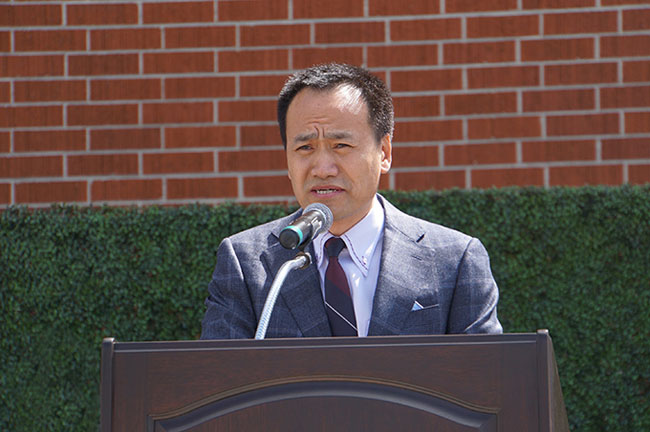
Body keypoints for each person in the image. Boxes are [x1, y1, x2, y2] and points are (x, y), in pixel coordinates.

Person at [201, 63, 502, 339]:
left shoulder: (454, 261)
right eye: (305, 147)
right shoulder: (247, 263)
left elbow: (483, 376)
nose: (322, 169)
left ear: (384, 153)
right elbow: (222, 376)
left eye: (341, 145)